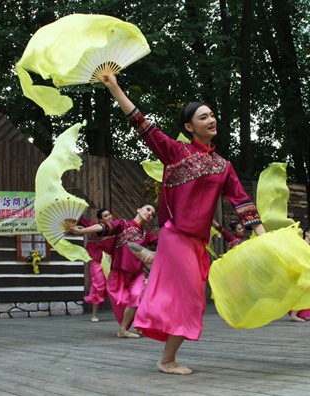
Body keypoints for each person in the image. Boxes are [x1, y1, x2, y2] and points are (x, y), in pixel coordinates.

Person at [101, 74, 265, 375]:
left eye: (213, 114)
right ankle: (166, 360)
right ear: (189, 127)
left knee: (194, 299)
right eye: (204, 117)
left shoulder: (223, 165)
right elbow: (141, 123)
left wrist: (262, 236)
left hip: (197, 243)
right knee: (190, 296)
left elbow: (241, 200)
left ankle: (156, 265)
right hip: (176, 235)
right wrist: (114, 86)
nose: (212, 119)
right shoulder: (175, 152)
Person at [72, 205, 158, 337]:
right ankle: (135, 325)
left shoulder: (147, 235)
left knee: (137, 295)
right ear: (138, 209)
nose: (149, 214)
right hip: (118, 274)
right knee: (122, 302)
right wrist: (80, 232)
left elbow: (165, 243)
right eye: (147, 210)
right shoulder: (122, 225)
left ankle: (123, 330)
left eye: (152, 214)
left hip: (136, 275)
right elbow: (103, 227)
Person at [75, 208, 122, 322]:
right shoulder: (94, 227)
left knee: (116, 287)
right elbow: (80, 220)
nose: (109, 217)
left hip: (111, 262)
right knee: (98, 286)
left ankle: (121, 313)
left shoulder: (116, 229)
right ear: (101, 219)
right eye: (106, 216)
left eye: (109, 214)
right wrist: (80, 207)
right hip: (97, 262)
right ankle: (94, 314)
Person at [290, 227, 310, 322]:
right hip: (302, 273)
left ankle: (298, 314)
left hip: (307, 272)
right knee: (301, 292)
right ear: (307, 234)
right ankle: (294, 315)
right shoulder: (302, 244)